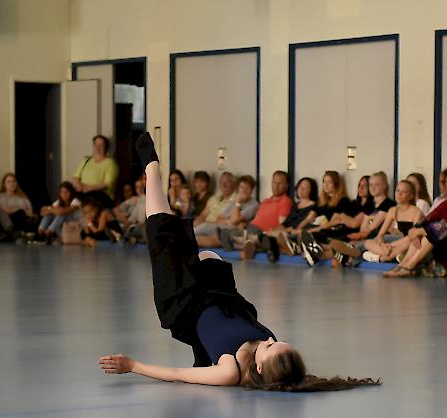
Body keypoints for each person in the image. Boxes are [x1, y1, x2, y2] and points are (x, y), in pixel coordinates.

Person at [98, 132, 380, 391]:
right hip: (220, 291)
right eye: (278, 342)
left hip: (183, 300)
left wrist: (133, 365)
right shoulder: (265, 340)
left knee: (162, 229)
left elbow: (178, 374)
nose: (271, 339)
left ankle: (151, 169)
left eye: (272, 347)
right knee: (191, 242)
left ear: (259, 367)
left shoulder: (229, 371)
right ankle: (159, 185)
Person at [384, 166, 447, 278]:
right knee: (424, 231)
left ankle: (410, 266)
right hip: (446, 246)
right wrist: (415, 230)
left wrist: (420, 231)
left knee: (431, 233)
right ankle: (404, 264)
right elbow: (429, 218)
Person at [304, 172, 396, 266]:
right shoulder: (372, 205)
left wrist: (346, 220)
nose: (372, 188)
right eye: (371, 185)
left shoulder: (388, 204)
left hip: (376, 239)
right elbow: (364, 229)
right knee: (345, 245)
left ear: (384, 186)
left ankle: (318, 253)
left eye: (377, 185)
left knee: (348, 246)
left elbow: (370, 227)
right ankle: (317, 252)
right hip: (366, 237)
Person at [217, 172, 292, 260]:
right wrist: (245, 224)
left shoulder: (285, 201)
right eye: (274, 182)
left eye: (280, 183)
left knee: (231, 236)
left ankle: (246, 245)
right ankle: (246, 244)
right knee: (227, 233)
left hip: (263, 232)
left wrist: (268, 232)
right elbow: (257, 218)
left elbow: (282, 224)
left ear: (286, 186)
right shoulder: (265, 201)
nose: (276, 186)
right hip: (251, 228)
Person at [361, 180, 424, 262]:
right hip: (397, 243)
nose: (399, 194)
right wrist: (383, 245)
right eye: (397, 191)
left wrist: (391, 245)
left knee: (409, 243)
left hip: (411, 241)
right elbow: (381, 234)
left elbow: (413, 235)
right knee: (368, 242)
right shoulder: (393, 210)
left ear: (411, 196)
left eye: (403, 192)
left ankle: (380, 257)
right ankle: (386, 255)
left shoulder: (417, 212)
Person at [196, 175, 260, 248]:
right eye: (242, 187)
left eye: (247, 188)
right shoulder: (234, 203)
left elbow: (234, 220)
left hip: (233, 231)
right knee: (200, 233)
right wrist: (229, 222)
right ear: (238, 189)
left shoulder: (253, 205)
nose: (244, 191)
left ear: (252, 190)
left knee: (204, 227)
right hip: (225, 227)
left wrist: (238, 203)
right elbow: (218, 219)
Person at [71, 135, 119, 209]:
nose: (97, 147)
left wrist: (87, 188)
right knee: (61, 206)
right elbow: (75, 178)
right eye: (95, 144)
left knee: (68, 211)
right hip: (81, 194)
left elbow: (107, 184)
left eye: (101, 145)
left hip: (99, 197)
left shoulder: (111, 163)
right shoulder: (86, 161)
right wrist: (81, 187)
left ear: (106, 147)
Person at [193, 172, 237, 237]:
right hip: (206, 225)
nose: (223, 185)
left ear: (233, 184)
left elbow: (232, 220)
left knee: (201, 228)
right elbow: (204, 214)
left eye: (227, 182)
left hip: (220, 227)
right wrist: (196, 223)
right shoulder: (214, 197)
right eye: (221, 182)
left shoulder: (237, 199)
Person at [0, 173, 37, 238]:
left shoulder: (23, 197)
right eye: (8, 182)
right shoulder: (1, 196)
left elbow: (31, 212)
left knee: (33, 217)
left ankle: (24, 233)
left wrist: (17, 209)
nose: (12, 184)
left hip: (24, 218)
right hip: (8, 219)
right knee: (20, 213)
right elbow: (7, 210)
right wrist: (20, 210)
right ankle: (21, 233)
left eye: (14, 181)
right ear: (4, 184)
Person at [113, 177, 147, 244]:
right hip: (128, 224)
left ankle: (127, 237)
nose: (139, 189)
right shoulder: (134, 199)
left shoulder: (144, 199)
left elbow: (139, 220)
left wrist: (127, 220)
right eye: (137, 187)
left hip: (136, 225)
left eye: (141, 187)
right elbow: (117, 210)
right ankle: (128, 238)